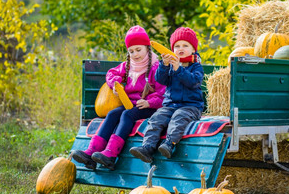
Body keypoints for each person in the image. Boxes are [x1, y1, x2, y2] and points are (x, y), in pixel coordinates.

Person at [72, 25, 165, 170]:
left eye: (138, 50)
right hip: (131, 104)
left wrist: (148, 102)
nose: (135, 54)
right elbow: (110, 73)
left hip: (150, 107)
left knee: (127, 115)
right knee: (112, 114)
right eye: (131, 51)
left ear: (147, 48)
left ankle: (111, 154)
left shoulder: (156, 67)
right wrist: (115, 84)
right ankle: (91, 152)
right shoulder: (128, 66)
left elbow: (163, 94)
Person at [129, 27, 204, 163]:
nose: (180, 48)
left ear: (193, 49)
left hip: (190, 106)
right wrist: (164, 65)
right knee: (156, 118)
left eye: (185, 45)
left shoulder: (196, 66)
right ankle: (147, 148)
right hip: (170, 105)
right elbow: (160, 80)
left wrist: (179, 69)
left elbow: (193, 82)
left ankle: (170, 144)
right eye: (177, 46)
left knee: (178, 118)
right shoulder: (169, 65)